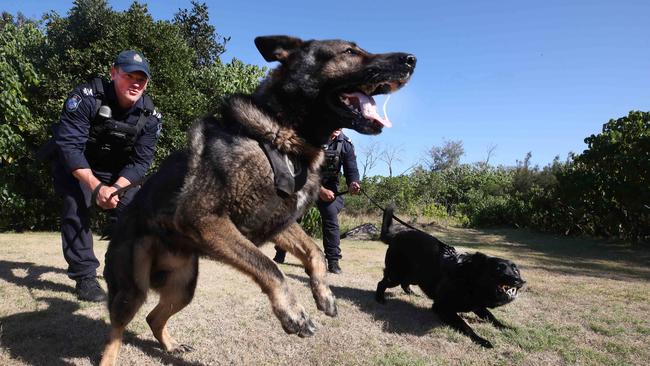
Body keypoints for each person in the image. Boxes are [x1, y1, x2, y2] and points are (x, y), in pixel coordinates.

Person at [49, 50, 162, 302]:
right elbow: (69, 147)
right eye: (128, 75)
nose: (135, 83)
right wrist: (96, 186)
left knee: (136, 210)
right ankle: (84, 276)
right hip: (79, 166)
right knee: (75, 206)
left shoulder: (149, 115)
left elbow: (141, 160)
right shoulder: (87, 97)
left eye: (141, 79)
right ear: (113, 73)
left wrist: (115, 189)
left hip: (118, 172)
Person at [273, 129, 360, 274]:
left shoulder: (346, 144)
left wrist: (354, 184)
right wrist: (320, 190)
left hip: (331, 186)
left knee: (330, 215)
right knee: (292, 216)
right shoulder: (312, 137)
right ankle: (280, 252)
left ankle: (333, 261)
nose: (336, 130)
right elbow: (299, 167)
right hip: (305, 182)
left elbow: (352, 170)